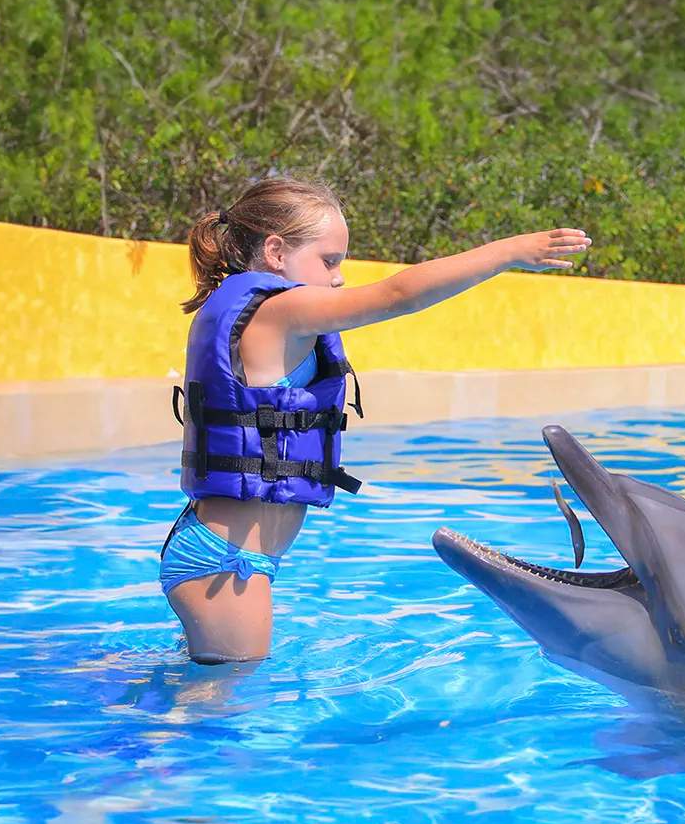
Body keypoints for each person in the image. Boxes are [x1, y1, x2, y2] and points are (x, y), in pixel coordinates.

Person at [161, 176, 590, 664]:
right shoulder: (279, 310)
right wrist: (509, 252)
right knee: (224, 715)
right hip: (228, 565)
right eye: (329, 261)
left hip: (222, 555)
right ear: (276, 252)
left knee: (202, 695)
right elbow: (398, 294)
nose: (340, 277)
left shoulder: (260, 311)